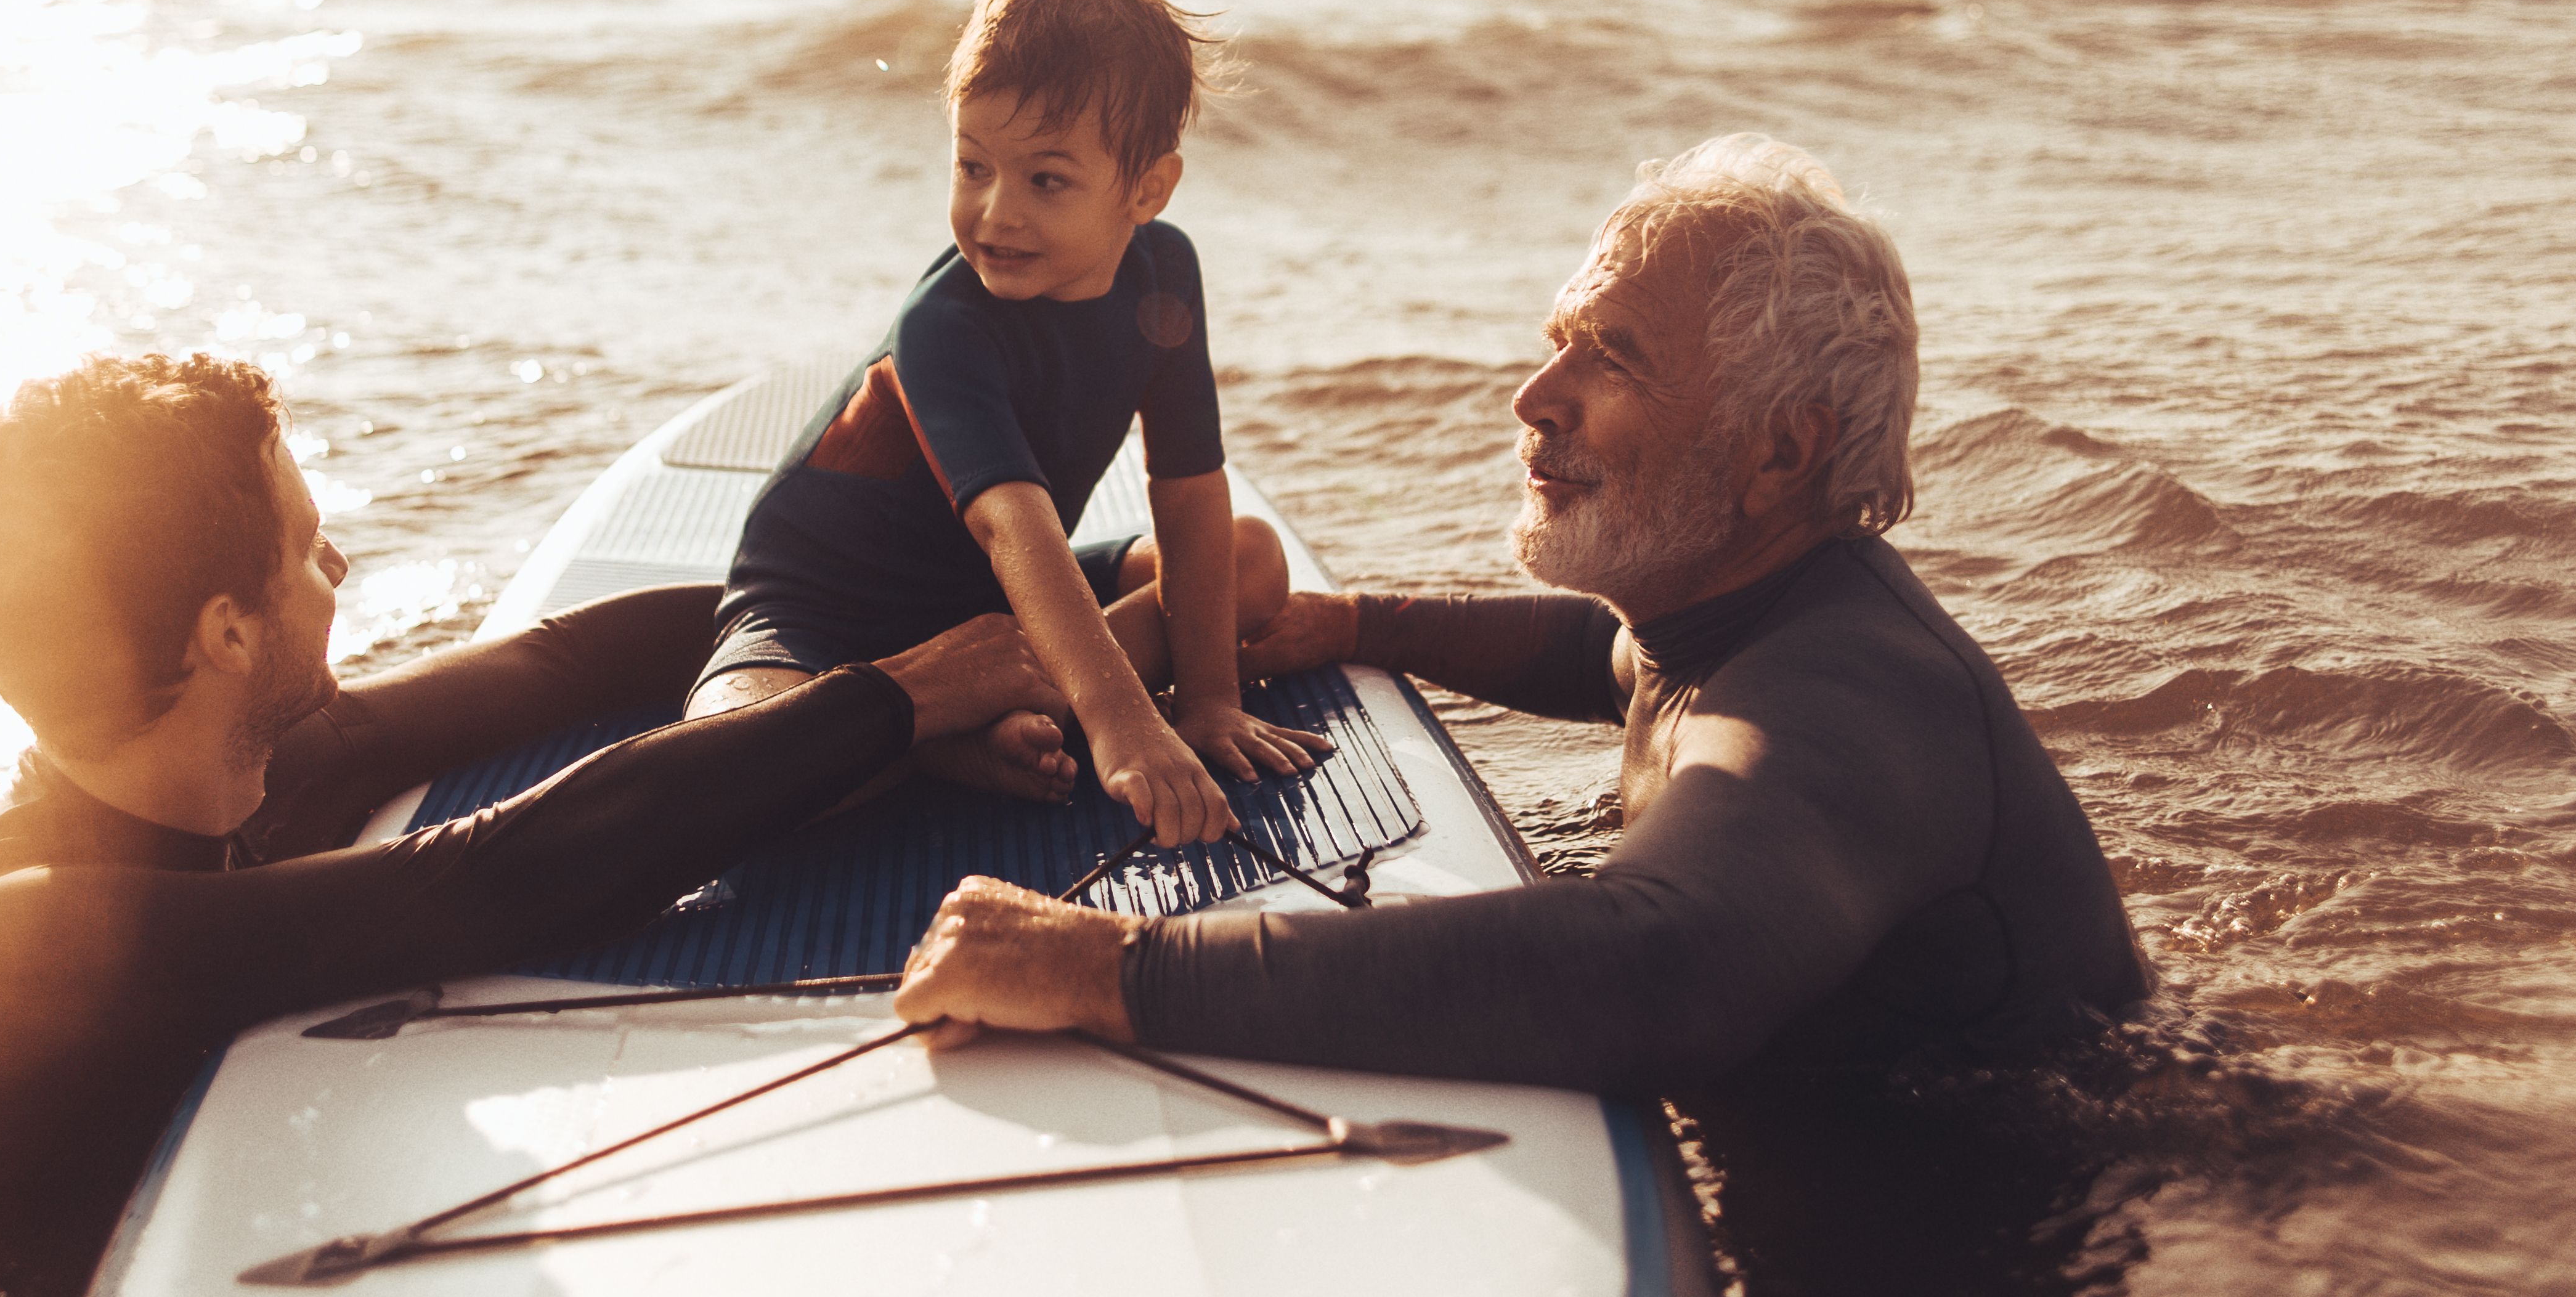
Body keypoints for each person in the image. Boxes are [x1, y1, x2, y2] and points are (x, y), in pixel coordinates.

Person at [895, 134, 2151, 1089]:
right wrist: (1359, 625)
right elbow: (1608, 663)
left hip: (2006, 1277)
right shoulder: (1743, 623)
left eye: (1612, 357)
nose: (1531, 395)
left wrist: (1108, 967)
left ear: (1779, 452)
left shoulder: (1848, 697)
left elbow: (1656, 964)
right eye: (1560, 340)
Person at [0, 352, 1059, 1258]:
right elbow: (503, 874)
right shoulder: (2, 942)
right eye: (305, 546)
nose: (337, 566)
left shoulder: (228, 770)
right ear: (228, 632)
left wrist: (975, 637)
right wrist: (899, 696)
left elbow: (565, 665)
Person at [688, 0, 1316, 847]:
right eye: (972, 166)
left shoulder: (1165, 273)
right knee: (731, 771)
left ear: (1147, 189)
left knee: (1249, 558)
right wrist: (1122, 721)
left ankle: (970, 722)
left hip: (996, 613)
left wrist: (1209, 702)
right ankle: (936, 741)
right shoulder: (942, 325)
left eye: (1045, 180)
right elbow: (1013, 527)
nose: (993, 212)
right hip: (823, 620)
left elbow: (1188, 489)